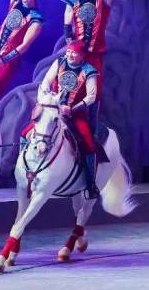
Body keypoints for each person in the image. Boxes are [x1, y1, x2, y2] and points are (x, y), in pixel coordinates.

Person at [38, 41, 101, 199]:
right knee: (27, 133)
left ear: (81, 55)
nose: (70, 55)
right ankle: (26, 172)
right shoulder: (59, 62)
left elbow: (91, 97)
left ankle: (90, 184)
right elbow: (46, 82)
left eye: (74, 53)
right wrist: (48, 97)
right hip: (54, 109)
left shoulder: (89, 71)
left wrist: (72, 109)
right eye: (68, 52)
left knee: (89, 144)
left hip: (75, 114)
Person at [63, 0, 121, 96]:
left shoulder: (104, 0)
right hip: (77, 52)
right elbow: (67, 27)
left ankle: (92, 109)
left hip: (95, 53)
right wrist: (71, 47)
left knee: (94, 89)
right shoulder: (73, 1)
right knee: (70, 86)